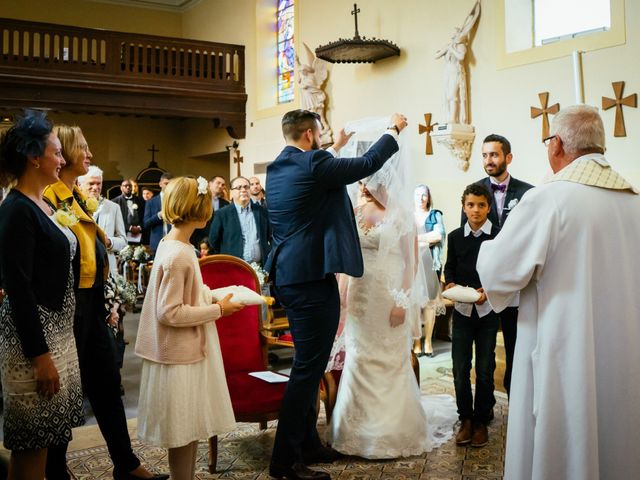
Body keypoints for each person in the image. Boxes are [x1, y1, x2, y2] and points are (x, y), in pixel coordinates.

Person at [477, 105, 640, 480]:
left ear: (557, 146)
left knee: (566, 439)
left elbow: (497, 270)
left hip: (565, 349)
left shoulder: (548, 199)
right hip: (625, 350)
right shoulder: (633, 199)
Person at [265, 110, 407, 480]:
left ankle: (308, 442)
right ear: (311, 135)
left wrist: (335, 144)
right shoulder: (315, 163)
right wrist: (393, 129)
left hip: (291, 276)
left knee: (310, 367)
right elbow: (368, 162)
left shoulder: (279, 167)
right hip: (311, 279)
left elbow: (317, 167)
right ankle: (284, 462)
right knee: (307, 370)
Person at [326, 121, 456, 459]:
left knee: (387, 359)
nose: (367, 183)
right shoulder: (355, 210)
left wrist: (402, 302)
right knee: (358, 355)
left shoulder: (400, 215)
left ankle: (391, 431)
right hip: (359, 293)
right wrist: (342, 292)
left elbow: (410, 264)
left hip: (388, 293)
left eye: (371, 178)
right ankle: (352, 430)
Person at [43, 125, 166, 480]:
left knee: (107, 385)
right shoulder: (50, 198)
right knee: (66, 397)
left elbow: (94, 255)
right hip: (65, 310)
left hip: (91, 306)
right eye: (83, 148)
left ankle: (126, 465)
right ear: (64, 153)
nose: (90, 154)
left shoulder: (79, 199)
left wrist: (107, 300)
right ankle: (55, 470)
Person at [135, 176, 244, 480]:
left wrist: (212, 294)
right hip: (178, 354)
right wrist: (218, 310)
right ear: (199, 208)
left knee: (188, 425)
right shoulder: (180, 253)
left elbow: (184, 293)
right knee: (182, 429)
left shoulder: (175, 244)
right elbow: (169, 312)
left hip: (182, 351)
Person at [0, 110, 83, 480]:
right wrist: (40, 356)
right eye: (56, 152)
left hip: (56, 335)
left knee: (44, 439)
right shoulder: (16, 211)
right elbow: (18, 289)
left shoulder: (43, 205)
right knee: (31, 446)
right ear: (35, 157)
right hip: (31, 343)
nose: (62, 159)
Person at [462, 134, 534, 397]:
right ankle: (485, 404)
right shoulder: (473, 191)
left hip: (516, 283)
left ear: (508, 158)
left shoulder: (528, 193)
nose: (488, 160)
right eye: (484, 155)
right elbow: (468, 241)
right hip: (484, 284)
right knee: (485, 349)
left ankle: (516, 395)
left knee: (516, 343)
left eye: (494, 154)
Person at [444, 184, 500, 448]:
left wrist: (490, 290)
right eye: (470, 205)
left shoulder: (499, 236)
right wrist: (450, 284)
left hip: (488, 312)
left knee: (485, 369)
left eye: (480, 205)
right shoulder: (455, 237)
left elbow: (503, 270)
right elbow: (450, 269)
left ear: (488, 207)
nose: (475, 210)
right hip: (464, 312)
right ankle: (465, 418)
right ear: (463, 207)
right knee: (459, 368)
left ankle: (480, 421)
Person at [434, 0, 480, 124]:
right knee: (446, 96)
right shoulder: (450, 45)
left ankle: (453, 119)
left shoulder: (460, 46)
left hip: (456, 71)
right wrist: (446, 48)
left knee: (452, 96)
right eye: (453, 35)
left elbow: (461, 57)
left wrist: (452, 49)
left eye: (455, 34)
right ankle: (449, 117)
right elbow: (436, 56)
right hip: (447, 71)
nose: (453, 36)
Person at [208, 176, 271, 265]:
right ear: (231, 192)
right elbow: (213, 241)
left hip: (260, 267)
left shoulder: (261, 211)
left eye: (246, 187)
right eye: (238, 187)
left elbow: (269, 236)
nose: (243, 190)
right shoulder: (222, 214)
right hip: (233, 268)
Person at [414, 184, 446, 357]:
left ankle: (428, 341)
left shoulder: (435, 215)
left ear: (429, 197)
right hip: (411, 265)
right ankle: (417, 341)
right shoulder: (407, 216)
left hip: (431, 264)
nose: (421, 198)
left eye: (424, 195)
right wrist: (427, 240)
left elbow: (439, 235)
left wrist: (417, 240)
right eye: (417, 195)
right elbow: (402, 239)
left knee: (430, 304)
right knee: (414, 303)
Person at [79, 165, 127, 276]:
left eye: (98, 183)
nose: (95, 187)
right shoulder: (74, 207)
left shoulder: (113, 207)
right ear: (80, 185)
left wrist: (109, 242)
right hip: (82, 268)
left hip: (106, 268)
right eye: (91, 183)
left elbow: (123, 241)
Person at [143, 172, 173, 253]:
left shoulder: (176, 201)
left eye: (171, 184)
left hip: (174, 243)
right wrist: (159, 215)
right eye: (166, 183)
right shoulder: (151, 202)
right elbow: (146, 223)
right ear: (160, 184)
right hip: (157, 244)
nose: (168, 186)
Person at [112, 179, 146, 244]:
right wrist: (130, 228)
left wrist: (139, 227)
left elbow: (144, 216)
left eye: (130, 186)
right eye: (125, 186)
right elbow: (115, 219)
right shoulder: (114, 202)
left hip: (139, 235)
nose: (128, 187)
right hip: (122, 235)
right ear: (121, 188)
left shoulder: (140, 200)